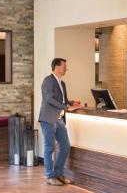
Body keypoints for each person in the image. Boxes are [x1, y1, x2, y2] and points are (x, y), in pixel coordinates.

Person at [39, 58, 81, 186]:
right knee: (49, 148)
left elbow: (64, 100)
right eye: (64, 66)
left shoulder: (62, 83)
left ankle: (58, 174)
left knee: (65, 146)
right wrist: (65, 107)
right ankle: (50, 177)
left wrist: (71, 103)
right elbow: (49, 99)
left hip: (58, 119)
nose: (66, 69)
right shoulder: (48, 80)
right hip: (47, 118)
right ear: (56, 67)